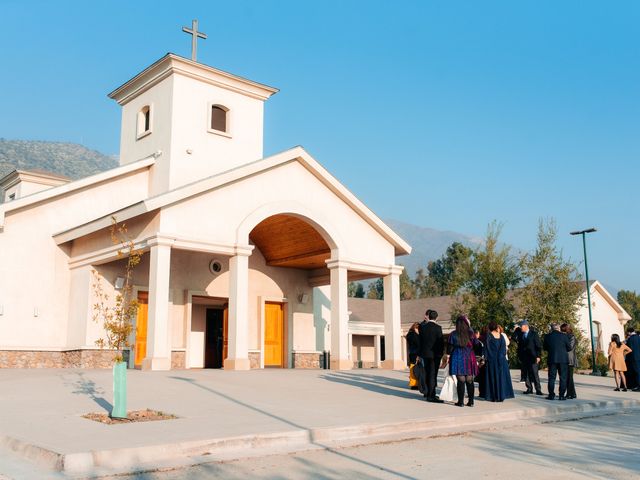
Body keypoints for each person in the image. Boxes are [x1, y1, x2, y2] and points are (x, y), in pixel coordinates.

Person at [445, 315, 479, 407]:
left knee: (461, 380)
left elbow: (449, 348)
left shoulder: (453, 334)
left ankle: (461, 402)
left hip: (458, 356)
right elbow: (476, 344)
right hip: (469, 356)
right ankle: (471, 402)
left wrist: (448, 356)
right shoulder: (471, 333)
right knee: (469, 379)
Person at [418, 309, 446, 403]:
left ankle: (427, 392)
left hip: (425, 354)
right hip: (435, 355)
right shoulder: (438, 328)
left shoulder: (423, 327)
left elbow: (420, 341)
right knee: (433, 375)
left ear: (428, 317)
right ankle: (431, 395)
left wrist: (420, 353)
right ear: (437, 317)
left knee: (427, 373)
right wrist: (441, 354)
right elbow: (440, 342)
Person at [484, 320, 515, 402]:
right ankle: (501, 396)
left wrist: (487, 358)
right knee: (501, 378)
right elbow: (503, 349)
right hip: (501, 360)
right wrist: (501, 357)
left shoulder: (489, 336)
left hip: (492, 360)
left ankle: (494, 396)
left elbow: (487, 349)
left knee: (493, 378)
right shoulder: (501, 336)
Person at [543, 323, 572, 400]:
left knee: (551, 378)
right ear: (558, 328)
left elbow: (545, 348)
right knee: (563, 378)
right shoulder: (564, 336)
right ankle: (561, 395)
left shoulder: (547, 336)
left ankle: (551, 395)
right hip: (563, 359)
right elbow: (569, 348)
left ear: (552, 328)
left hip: (552, 359)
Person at [517, 320, 543, 395]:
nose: (520, 328)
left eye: (521, 326)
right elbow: (519, 347)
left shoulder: (534, 334)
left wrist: (538, 356)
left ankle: (538, 389)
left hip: (533, 357)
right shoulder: (520, 335)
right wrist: (519, 356)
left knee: (535, 373)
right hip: (524, 357)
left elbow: (538, 346)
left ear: (525, 326)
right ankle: (529, 388)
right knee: (526, 374)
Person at [561, 323, 577, 399]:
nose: (562, 331)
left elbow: (570, 347)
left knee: (569, 377)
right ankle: (572, 393)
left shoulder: (572, 336)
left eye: (563, 330)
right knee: (567, 377)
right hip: (564, 358)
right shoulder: (564, 336)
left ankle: (570, 393)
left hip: (569, 359)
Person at [406, 322, 421, 390]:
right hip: (416, 354)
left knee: (412, 369)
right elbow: (418, 345)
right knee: (415, 369)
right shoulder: (415, 335)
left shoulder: (409, 334)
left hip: (412, 353)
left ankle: (413, 383)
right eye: (418, 329)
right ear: (415, 328)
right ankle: (415, 384)